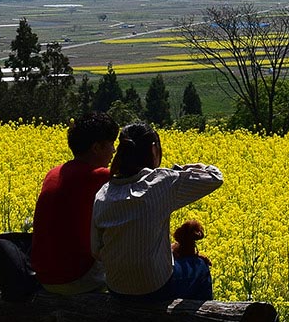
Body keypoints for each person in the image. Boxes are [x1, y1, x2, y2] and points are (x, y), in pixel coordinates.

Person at [91, 122, 223, 301]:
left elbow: (96, 251)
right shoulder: (162, 182)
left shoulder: (103, 193)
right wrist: (185, 168)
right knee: (200, 267)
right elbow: (215, 177)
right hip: (155, 287)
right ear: (154, 149)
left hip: (116, 288)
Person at [30, 112, 119, 295]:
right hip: (75, 278)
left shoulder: (53, 173)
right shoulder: (100, 177)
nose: (114, 150)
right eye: (111, 144)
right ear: (97, 147)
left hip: (44, 276)